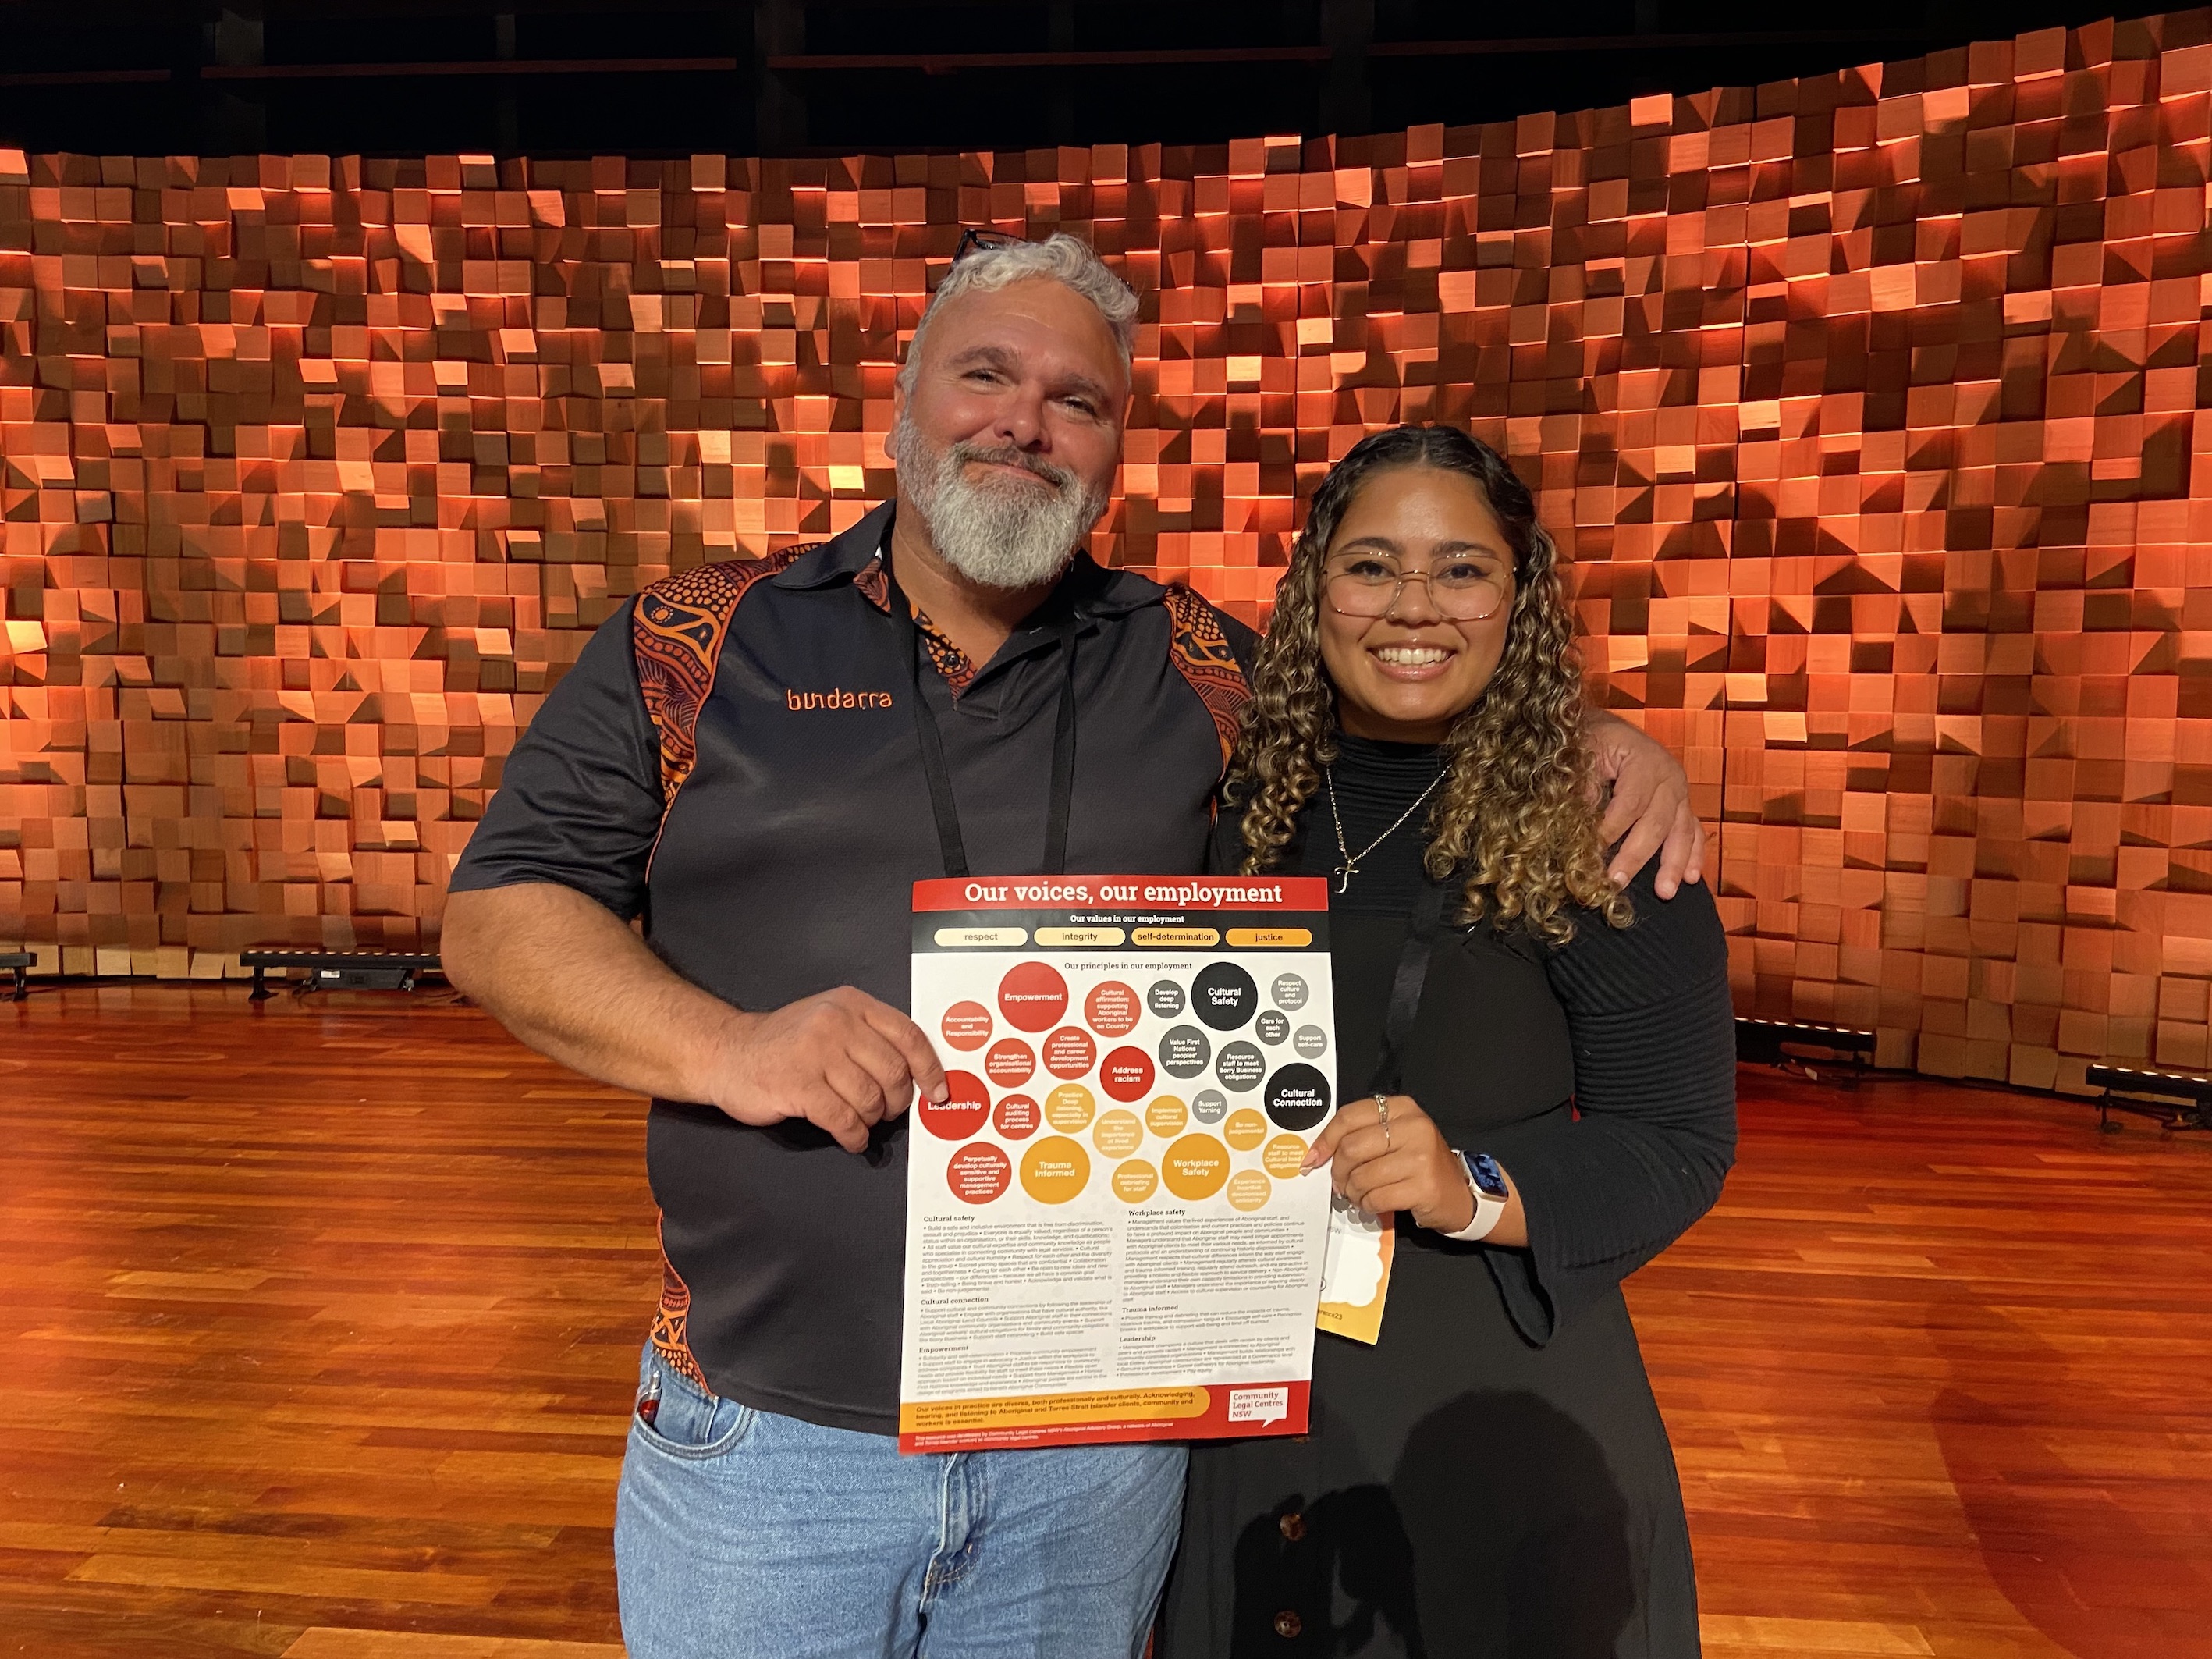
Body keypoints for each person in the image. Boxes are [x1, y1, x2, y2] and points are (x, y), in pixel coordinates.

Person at [438, 234, 1705, 1658]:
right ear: (906, 400)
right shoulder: (701, 639)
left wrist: (1600, 741)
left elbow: (1408, 693)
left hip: (1095, 1450)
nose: (1024, 421)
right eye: (985, 374)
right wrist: (728, 1046)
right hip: (772, 1437)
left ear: (1114, 452)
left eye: (1076, 400)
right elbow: (496, 912)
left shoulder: (1204, 668)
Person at [1159, 424, 1737, 1658]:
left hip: (1486, 1422)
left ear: (1518, 599)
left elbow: (1680, 1143)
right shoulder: (1236, 796)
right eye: (1371, 565)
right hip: (1243, 1390)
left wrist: (1471, 1188)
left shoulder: (1597, 823)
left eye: (1462, 569)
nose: (1413, 605)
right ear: (1316, 585)